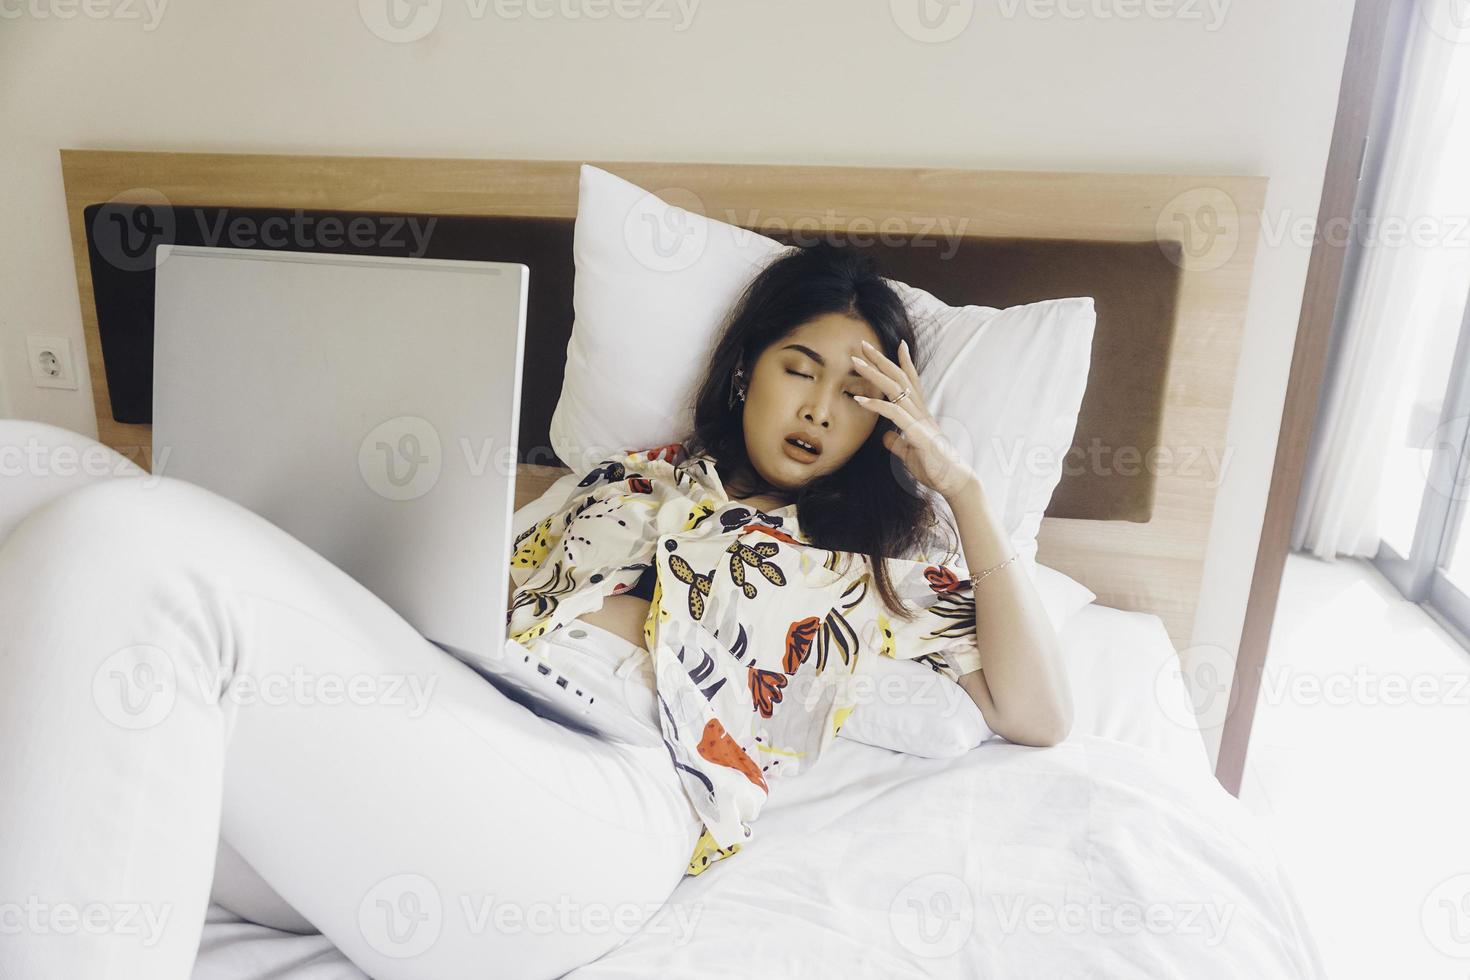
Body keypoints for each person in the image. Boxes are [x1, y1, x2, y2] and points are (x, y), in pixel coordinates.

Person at [0, 242, 1070, 980]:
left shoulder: (874, 561)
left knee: (123, 539)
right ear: (748, 367)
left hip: (602, 792)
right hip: (442, 720)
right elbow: (459, 582)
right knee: (42, 477)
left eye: (858, 390)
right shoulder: (624, 475)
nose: (821, 406)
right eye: (801, 367)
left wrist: (961, 485)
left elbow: (1038, 710)